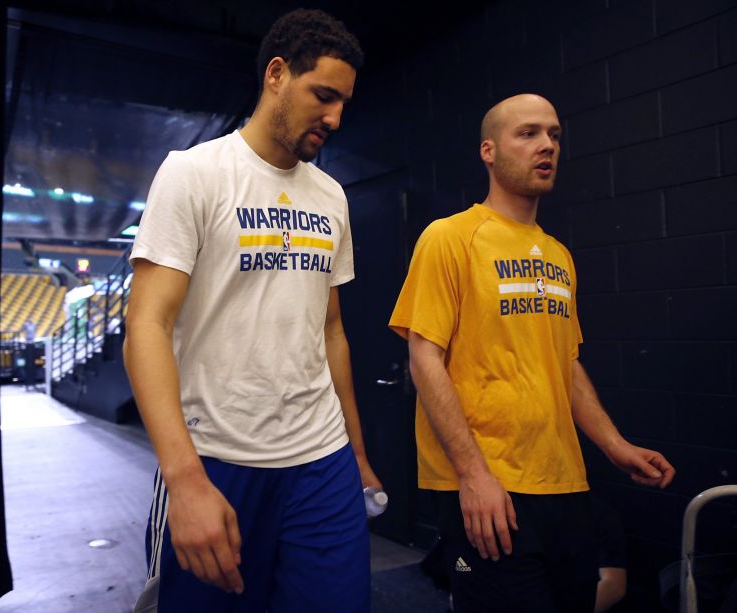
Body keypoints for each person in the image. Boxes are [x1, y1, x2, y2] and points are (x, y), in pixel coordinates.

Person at [124, 9, 381, 612]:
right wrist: (184, 481)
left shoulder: (331, 196)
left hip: (322, 461)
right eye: (323, 95)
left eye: (343, 103)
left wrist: (359, 455)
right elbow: (146, 324)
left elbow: (332, 329)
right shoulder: (193, 174)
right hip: (219, 459)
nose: (335, 118)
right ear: (275, 74)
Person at [388, 93, 675, 613]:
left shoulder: (559, 255)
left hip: (565, 482)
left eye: (554, 135)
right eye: (528, 134)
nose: (547, 145)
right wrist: (473, 476)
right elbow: (424, 357)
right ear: (489, 152)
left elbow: (564, 363)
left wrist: (614, 446)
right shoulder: (450, 238)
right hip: (490, 485)